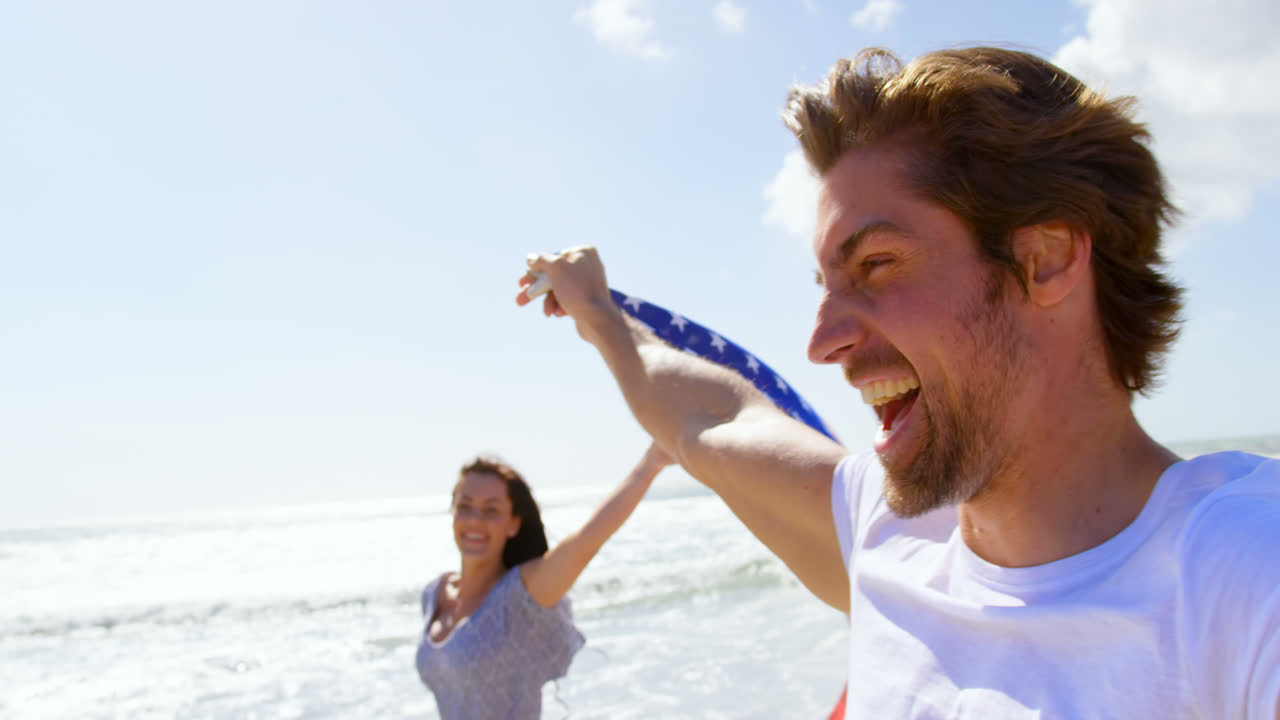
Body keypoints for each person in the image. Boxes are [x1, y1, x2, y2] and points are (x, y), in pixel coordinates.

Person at [516, 46, 1280, 718]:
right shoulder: (887, 540)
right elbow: (707, 419)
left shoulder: (1242, 577)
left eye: (875, 265)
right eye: (823, 284)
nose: (821, 342)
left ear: (1044, 261)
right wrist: (599, 314)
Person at [415, 443, 672, 718]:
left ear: (513, 524)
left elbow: (586, 543)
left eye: (491, 510)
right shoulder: (435, 594)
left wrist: (650, 465)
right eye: (465, 506)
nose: (475, 520)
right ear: (453, 512)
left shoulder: (520, 597)